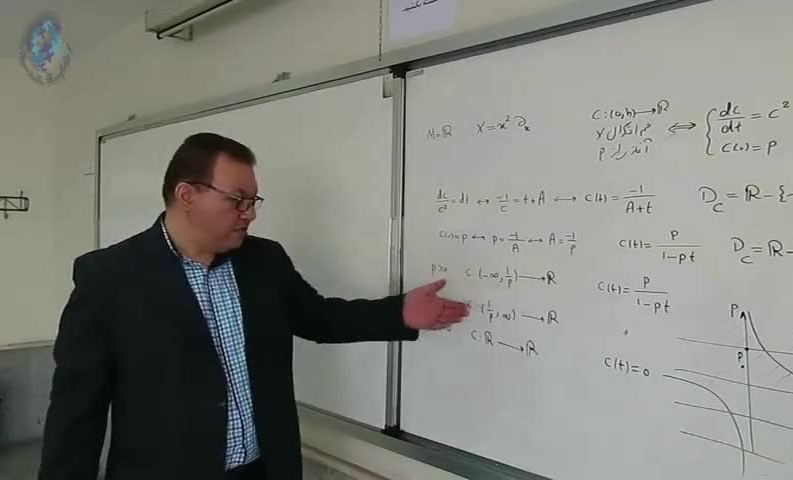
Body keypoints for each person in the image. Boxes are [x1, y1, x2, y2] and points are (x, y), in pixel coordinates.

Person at [38, 132, 469, 480]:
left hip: (265, 470)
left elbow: (320, 318)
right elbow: (76, 413)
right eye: (237, 200)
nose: (249, 214)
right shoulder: (109, 278)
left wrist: (398, 313)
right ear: (186, 194)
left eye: (253, 201)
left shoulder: (265, 260)